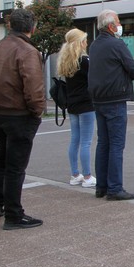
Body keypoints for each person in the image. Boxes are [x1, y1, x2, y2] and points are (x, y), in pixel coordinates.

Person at [0, 9, 45, 230]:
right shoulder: (27, 51)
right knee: (15, 166)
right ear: (31, 28)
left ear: (11, 26)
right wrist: (37, 111)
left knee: (1, 159)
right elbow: (33, 87)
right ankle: (13, 214)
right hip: (18, 115)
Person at [88, 9, 134, 200]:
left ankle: (101, 186)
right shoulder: (117, 44)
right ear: (111, 26)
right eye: (118, 22)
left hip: (99, 100)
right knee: (116, 145)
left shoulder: (94, 45)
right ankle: (115, 188)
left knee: (103, 143)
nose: (120, 25)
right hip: (115, 100)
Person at [57, 29, 96, 188]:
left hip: (72, 104)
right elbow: (93, 80)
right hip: (86, 103)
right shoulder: (85, 60)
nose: (87, 43)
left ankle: (75, 174)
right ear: (80, 42)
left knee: (75, 140)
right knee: (86, 142)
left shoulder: (66, 59)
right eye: (85, 40)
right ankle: (87, 177)